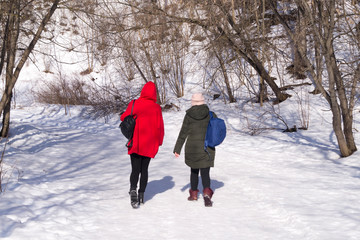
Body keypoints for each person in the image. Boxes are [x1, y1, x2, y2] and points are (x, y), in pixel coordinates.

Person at [120, 81, 164, 208]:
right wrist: (159, 142)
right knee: (144, 170)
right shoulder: (157, 108)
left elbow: (123, 117)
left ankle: (133, 190)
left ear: (143, 91)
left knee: (135, 169)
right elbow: (160, 127)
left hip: (136, 142)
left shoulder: (135, 104)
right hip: (150, 144)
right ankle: (142, 194)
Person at [173, 93, 216, 207]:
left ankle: (194, 194)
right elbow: (216, 129)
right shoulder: (210, 114)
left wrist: (178, 148)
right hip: (207, 147)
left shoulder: (189, 115)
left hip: (192, 147)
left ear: (192, 102)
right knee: (205, 172)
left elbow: (183, 133)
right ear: (203, 101)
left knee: (194, 171)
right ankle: (206, 194)